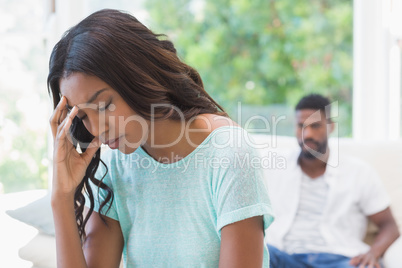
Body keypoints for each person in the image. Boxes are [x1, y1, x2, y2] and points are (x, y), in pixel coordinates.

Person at [47, 9, 274, 268]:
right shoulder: (116, 165)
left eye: (104, 104)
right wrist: (61, 198)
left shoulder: (229, 152)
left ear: (139, 75)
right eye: (83, 116)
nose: (97, 129)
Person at [265, 94, 400, 268]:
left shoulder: (358, 172)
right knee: (260, 253)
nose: (307, 134)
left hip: (338, 259)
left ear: (331, 127)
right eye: (301, 126)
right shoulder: (274, 168)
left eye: (315, 126)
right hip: (283, 256)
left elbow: (389, 226)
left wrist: (373, 253)